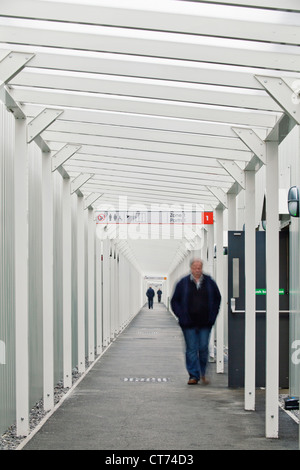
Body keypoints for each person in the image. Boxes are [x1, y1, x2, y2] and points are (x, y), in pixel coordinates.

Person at [171, 258, 221, 385]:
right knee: (192, 349)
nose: (197, 270)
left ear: (202, 268)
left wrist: (212, 316)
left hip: (205, 322)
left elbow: (217, 299)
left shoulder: (209, 282)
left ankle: (202, 372)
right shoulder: (183, 283)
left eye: (199, 267)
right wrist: (181, 316)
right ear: (191, 268)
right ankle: (193, 375)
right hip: (188, 323)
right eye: (195, 267)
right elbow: (175, 301)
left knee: (203, 347)